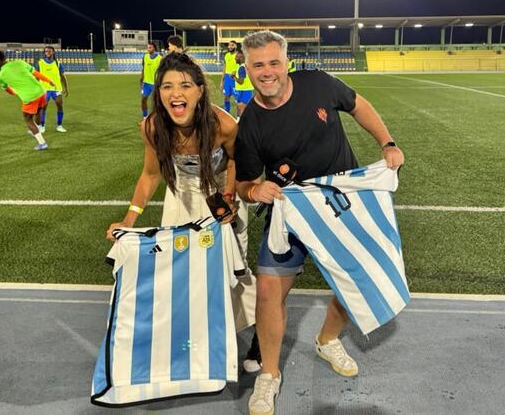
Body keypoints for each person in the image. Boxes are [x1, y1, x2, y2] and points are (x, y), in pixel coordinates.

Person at [235, 31, 404, 415]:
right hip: (291, 210)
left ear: (286, 61)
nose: (267, 72)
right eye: (258, 65)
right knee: (267, 292)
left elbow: (359, 105)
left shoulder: (319, 83)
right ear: (246, 69)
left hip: (340, 205)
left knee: (353, 284)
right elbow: (244, 183)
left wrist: (387, 143)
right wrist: (253, 191)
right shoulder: (250, 125)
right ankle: (270, 374)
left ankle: (327, 340)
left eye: (274, 62)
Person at [106, 51, 263, 375]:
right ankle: (194, 343)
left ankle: (252, 336)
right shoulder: (151, 127)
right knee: (183, 274)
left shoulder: (223, 124)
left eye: (185, 85)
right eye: (166, 86)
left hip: (221, 192)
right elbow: (150, 176)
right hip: (181, 198)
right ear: (158, 93)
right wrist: (130, 218)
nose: (176, 93)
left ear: (200, 91)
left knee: (234, 271)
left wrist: (230, 196)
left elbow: (236, 162)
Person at [0, 50, 55, 151]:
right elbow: (35, 73)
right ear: (5, 58)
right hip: (41, 91)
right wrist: (48, 80)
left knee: (28, 120)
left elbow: (7, 89)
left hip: (29, 96)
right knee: (38, 111)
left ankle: (42, 143)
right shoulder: (20, 62)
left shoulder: (1, 76)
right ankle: (37, 129)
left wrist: (15, 93)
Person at [35, 46, 69, 133]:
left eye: (49, 51)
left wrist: (66, 88)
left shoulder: (58, 63)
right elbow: (36, 77)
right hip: (44, 89)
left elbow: (62, 77)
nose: (48, 53)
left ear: (53, 52)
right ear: (44, 53)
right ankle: (42, 126)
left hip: (56, 88)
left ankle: (59, 126)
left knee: (60, 106)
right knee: (43, 108)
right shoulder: (40, 63)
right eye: (46, 51)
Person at [139, 42, 162, 117]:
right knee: (143, 100)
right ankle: (145, 117)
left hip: (155, 84)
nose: (148, 49)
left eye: (150, 47)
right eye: (148, 47)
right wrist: (141, 78)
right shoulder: (145, 57)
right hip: (146, 83)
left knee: (156, 103)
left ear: (154, 48)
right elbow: (143, 68)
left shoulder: (160, 58)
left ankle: (158, 118)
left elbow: (162, 71)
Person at [231, 49, 254, 117]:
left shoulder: (242, 68)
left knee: (242, 108)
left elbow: (241, 82)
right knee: (240, 106)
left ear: (242, 57)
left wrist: (233, 77)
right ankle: (239, 121)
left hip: (244, 90)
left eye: (237, 57)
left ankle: (242, 124)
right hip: (244, 89)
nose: (235, 58)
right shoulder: (244, 66)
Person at [220, 40, 240, 114]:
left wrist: (237, 73)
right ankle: (227, 113)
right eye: (229, 45)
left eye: (232, 45)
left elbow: (242, 67)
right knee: (226, 96)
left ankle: (239, 115)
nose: (230, 46)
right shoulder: (226, 55)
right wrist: (222, 82)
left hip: (235, 79)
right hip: (227, 78)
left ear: (235, 46)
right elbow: (225, 68)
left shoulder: (239, 55)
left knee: (237, 98)